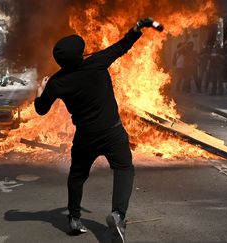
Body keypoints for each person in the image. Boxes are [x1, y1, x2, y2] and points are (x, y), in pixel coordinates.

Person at [34, 18, 158, 242]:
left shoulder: (56, 82)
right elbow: (123, 45)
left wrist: (40, 90)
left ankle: (74, 218)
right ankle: (118, 214)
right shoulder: (97, 62)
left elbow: (41, 109)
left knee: (77, 176)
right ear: (79, 54)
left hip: (85, 136)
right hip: (112, 132)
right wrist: (138, 28)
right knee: (124, 169)